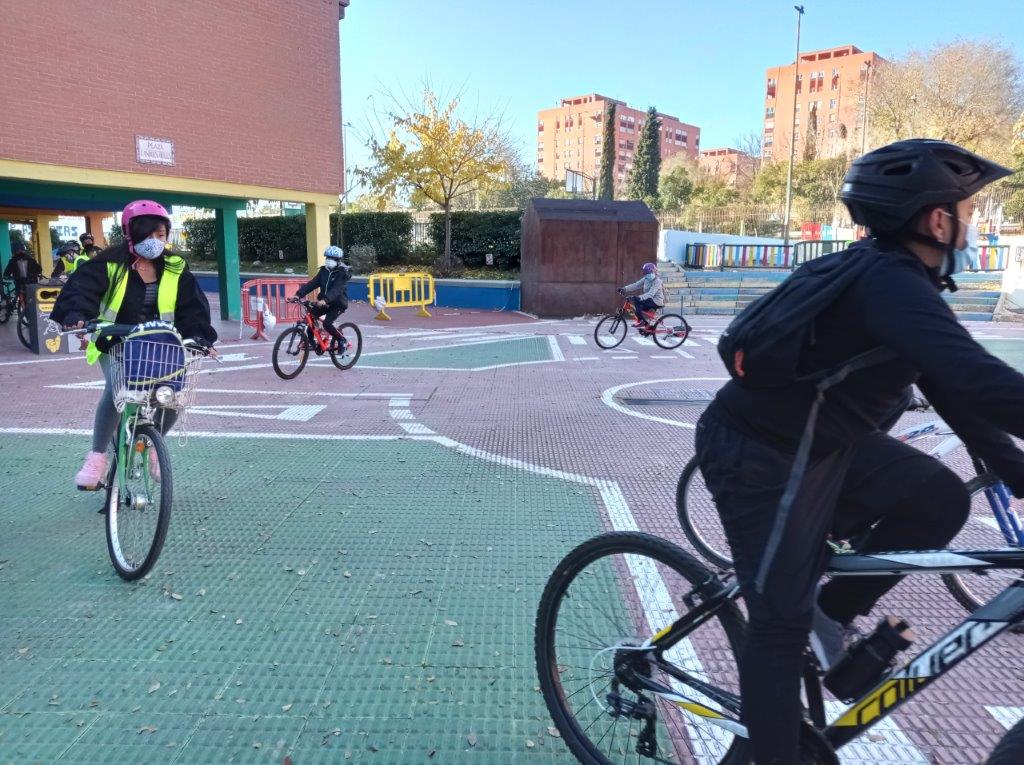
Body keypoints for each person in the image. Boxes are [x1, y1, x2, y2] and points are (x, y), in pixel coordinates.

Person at [695, 139, 1024, 763]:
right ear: (936, 219)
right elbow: (978, 379)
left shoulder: (901, 281)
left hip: (827, 447)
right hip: (760, 455)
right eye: (969, 209)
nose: (974, 224)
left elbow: (951, 387)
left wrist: (1017, 471)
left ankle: (829, 613)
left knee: (939, 499)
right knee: (776, 628)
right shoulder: (885, 284)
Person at [50, 200, 218, 491]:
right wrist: (77, 317)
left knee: (174, 395)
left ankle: (154, 446)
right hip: (116, 340)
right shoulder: (108, 264)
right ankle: (97, 457)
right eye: (148, 234)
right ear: (131, 234)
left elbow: (192, 306)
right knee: (117, 388)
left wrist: (201, 337)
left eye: (161, 235)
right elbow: (80, 291)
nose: (156, 241)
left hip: (162, 341)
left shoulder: (176, 266)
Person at [292, 245, 351, 349]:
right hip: (324, 302)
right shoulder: (324, 271)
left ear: (338, 260)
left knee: (327, 324)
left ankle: (342, 340)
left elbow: (336, 289)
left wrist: (325, 300)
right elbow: (312, 284)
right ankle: (311, 342)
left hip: (338, 304)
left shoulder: (342, 273)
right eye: (327, 258)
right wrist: (298, 294)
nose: (329, 260)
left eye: (332, 258)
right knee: (311, 317)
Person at [618, 262, 664, 329]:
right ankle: (645, 324)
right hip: (649, 299)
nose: (648, 275)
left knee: (638, 302)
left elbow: (651, 294)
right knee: (637, 304)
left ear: (654, 271)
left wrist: (639, 297)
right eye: (646, 273)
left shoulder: (657, 281)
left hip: (656, 301)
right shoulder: (646, 279)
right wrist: (624, 289)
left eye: (649, 273)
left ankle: (642, 321)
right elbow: (636, 285)